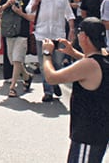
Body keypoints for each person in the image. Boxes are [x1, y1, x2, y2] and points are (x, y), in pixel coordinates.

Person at [41, 17, 109, 163]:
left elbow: (52, 77)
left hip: (87, 135)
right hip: (98, 133)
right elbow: (92, 61)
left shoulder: (88, 65)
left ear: (84, 36)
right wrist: (73, 52)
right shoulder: (103, 58)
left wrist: (47, 55)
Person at [26, 0, 76, 102]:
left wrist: (71, 28)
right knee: (43, 64)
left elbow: (68, 12)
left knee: (57, 61)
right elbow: (28, 9)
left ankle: (54, 81)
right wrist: (36, 2)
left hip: (58, 33)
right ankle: (48, 90)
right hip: (41, 34)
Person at [0, 0, 34, 97]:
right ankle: (27, 76)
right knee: (12, 59)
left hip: (22, 31)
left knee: (17, 59)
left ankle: (13, 87)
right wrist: (6, 5)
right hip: (9, 31)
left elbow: (32, 17)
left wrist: (20, 13)